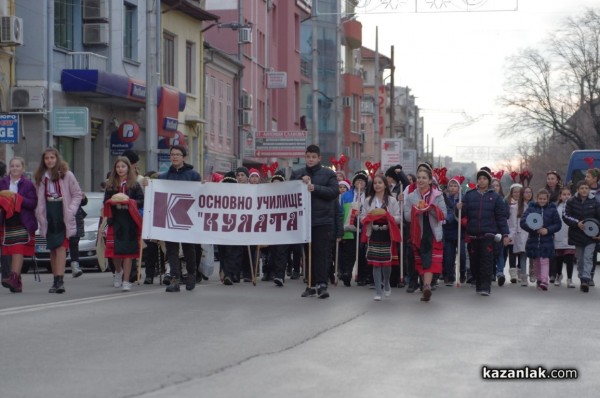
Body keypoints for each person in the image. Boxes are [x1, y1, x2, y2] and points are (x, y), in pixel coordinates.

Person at [150, 145, 201, 292]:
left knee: (188, 248)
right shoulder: (163, 177)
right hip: (170, 217)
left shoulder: (193, 175)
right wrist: (149, 185)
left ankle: (191, 274)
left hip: (187, 216)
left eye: (178, 154)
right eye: (172, 154)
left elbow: (200, 195)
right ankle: (175, 279)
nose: (174, 157)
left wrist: (202, 186)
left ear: (183, 157)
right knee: (171, 250)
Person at [34, 147, 83, 293]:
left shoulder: (67, 175)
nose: (49, 160)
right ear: (43, 160)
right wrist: (39, 213)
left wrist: (71, 210)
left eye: (52, 157)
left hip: (62, 212)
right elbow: (38, 198)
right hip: (48, 213)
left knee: (61, 247)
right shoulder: (40, 177)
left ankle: (60, 280)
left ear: (57, 159)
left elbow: (77, 194)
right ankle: (55, 280)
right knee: (53, 249)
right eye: (47, 158)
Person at [292, 144, 339, 299]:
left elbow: (333, 192)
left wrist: (315, 188)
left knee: (322, 253)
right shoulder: (298, 173)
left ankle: (322, 284)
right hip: (305, 221)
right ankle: (310, 284)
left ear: (319, 158)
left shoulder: (328, 174)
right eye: (308, 157)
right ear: (305, 157)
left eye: (313, 157)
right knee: (308, 254)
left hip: (323, 220)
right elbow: (289, 189)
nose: (310, 159)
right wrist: (299, 180)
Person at [456, 167, 510, 296]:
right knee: (475, 261)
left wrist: (505, 234)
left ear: (489, 181)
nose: (481, 181)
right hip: (473, 234)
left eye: (484, 178)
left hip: (488, 234)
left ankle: (485, 286)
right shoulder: (470, 195)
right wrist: (458, 208)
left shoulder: (495, 197)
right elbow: (461, 214)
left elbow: (501, 217)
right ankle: (478, 283)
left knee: (486, 261)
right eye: (479, 178)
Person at [404, 167, 446, 302]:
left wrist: (431, 209)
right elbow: (407, 217)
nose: (421, 180)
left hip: (433, 232)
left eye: (424, 178)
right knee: (421, 260)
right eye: (419, 177)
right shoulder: (411, 197)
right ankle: (425, 286)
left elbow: (444, 214)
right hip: (418, 232)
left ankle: (426, 285)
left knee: (430, 260)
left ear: (429, 181)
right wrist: (416, 211)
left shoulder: (438, 195)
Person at [103, 157, 144, 291]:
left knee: (128, 252)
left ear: (128, 168)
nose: (120, 169)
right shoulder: (111, 184)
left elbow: (141, 200)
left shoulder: (134, 184)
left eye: (123, 166)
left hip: (129, 219)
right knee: (115, 252)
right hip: (115, 219)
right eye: (118, 167)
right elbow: (105, 201)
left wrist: (131, 201)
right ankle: (118, 271)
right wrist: (112, 201)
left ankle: (126, 281)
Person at [0, 157, 38, 293]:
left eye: (17, 166)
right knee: (8, 250)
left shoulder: (28, 184)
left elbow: (33, 203)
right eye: (12, 166)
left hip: (22, 220)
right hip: (7, 220)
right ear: (9, 168)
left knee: (18, 249)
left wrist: (18, 199)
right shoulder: (2, 182)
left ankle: (14, 277)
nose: (15, 168)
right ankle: (17, 282)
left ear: (23, 168)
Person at [360, 175, 401, 300]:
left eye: (380, 182)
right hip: (373, 233)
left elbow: (398, 218)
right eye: (375, 183)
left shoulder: (392, 200)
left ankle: (386, 282)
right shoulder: (368, 200)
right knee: (376, 264)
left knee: (386, 263)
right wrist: (369, 217)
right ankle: (378, 291)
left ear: (385, 185)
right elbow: (362, 218)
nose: (377, 185)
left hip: (387, 233)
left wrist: (388, 216)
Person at [520, 189, 562, 290]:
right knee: (536, 261)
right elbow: (523, 222)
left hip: (547, 241)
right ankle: (539, 279)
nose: (542, 200)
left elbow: (558, 224)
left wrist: (547, 230)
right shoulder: (531, 208)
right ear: (537, 198)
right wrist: (534, 229)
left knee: (544, 260)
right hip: (533, 240)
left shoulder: (552, 209)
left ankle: (544, 281)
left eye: (544, 199)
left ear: (547, 199)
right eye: (540, 198)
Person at [562, 180, 600, 293]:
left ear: (589, 190)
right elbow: (566, 216)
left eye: (586, 188)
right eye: (582, 188)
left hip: (591, 236)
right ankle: (581, 275)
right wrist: (577, 223)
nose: (584, 190)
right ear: (577, 190)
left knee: (588, 257)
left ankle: (585, 279)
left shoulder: (595, 202)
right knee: (580, 258)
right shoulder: (571, 201)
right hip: (577, 234)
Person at [339, 170, 368, 286]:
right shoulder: (346, 196)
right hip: (349, 227)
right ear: (354, 182)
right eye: (358, 180)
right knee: (349, 252)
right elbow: (340, 211)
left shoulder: (369, 196)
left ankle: (362, 276)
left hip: (363, 228)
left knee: (362, 253)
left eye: (362, 180)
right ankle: (347, 273)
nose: (360, 182)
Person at [442, 176, 466, 285]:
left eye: (455, 186)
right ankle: (449, 275)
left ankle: (462, 273)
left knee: (462, 255)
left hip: (460, 232)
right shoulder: (445, 199)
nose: (452, 188)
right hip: (448, 231)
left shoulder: (463, 199)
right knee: (448, 255)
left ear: (459, 187)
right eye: (450, 186)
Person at [506, 183, 528, 285]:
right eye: (514, 192)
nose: (517, 194)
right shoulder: (509, 204)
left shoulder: (525, 205)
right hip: (512, 231)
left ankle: (520, 272)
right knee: (512, 253)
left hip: (522, 232)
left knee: (521, 252)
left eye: (519, 192)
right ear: (511, 193)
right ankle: (513, 273)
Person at [554, 187, 576, 288]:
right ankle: (558, 275)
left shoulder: (574, 207)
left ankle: (570, 278)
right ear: (560, 196)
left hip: (570, 235)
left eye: (568, 194)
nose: (566, 196)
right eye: (564, 194)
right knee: (559, 258)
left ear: (571, 195)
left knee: (570, 258)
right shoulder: (556, 207)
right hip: (558, 234)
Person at [68, 193, 87, 278]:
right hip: (63, 218)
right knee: (60, 245)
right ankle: (59, 270)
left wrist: (83, 197)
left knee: (74, 243)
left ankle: (75, 266)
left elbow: (83, 202)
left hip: (75, 219)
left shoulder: (74, 186)